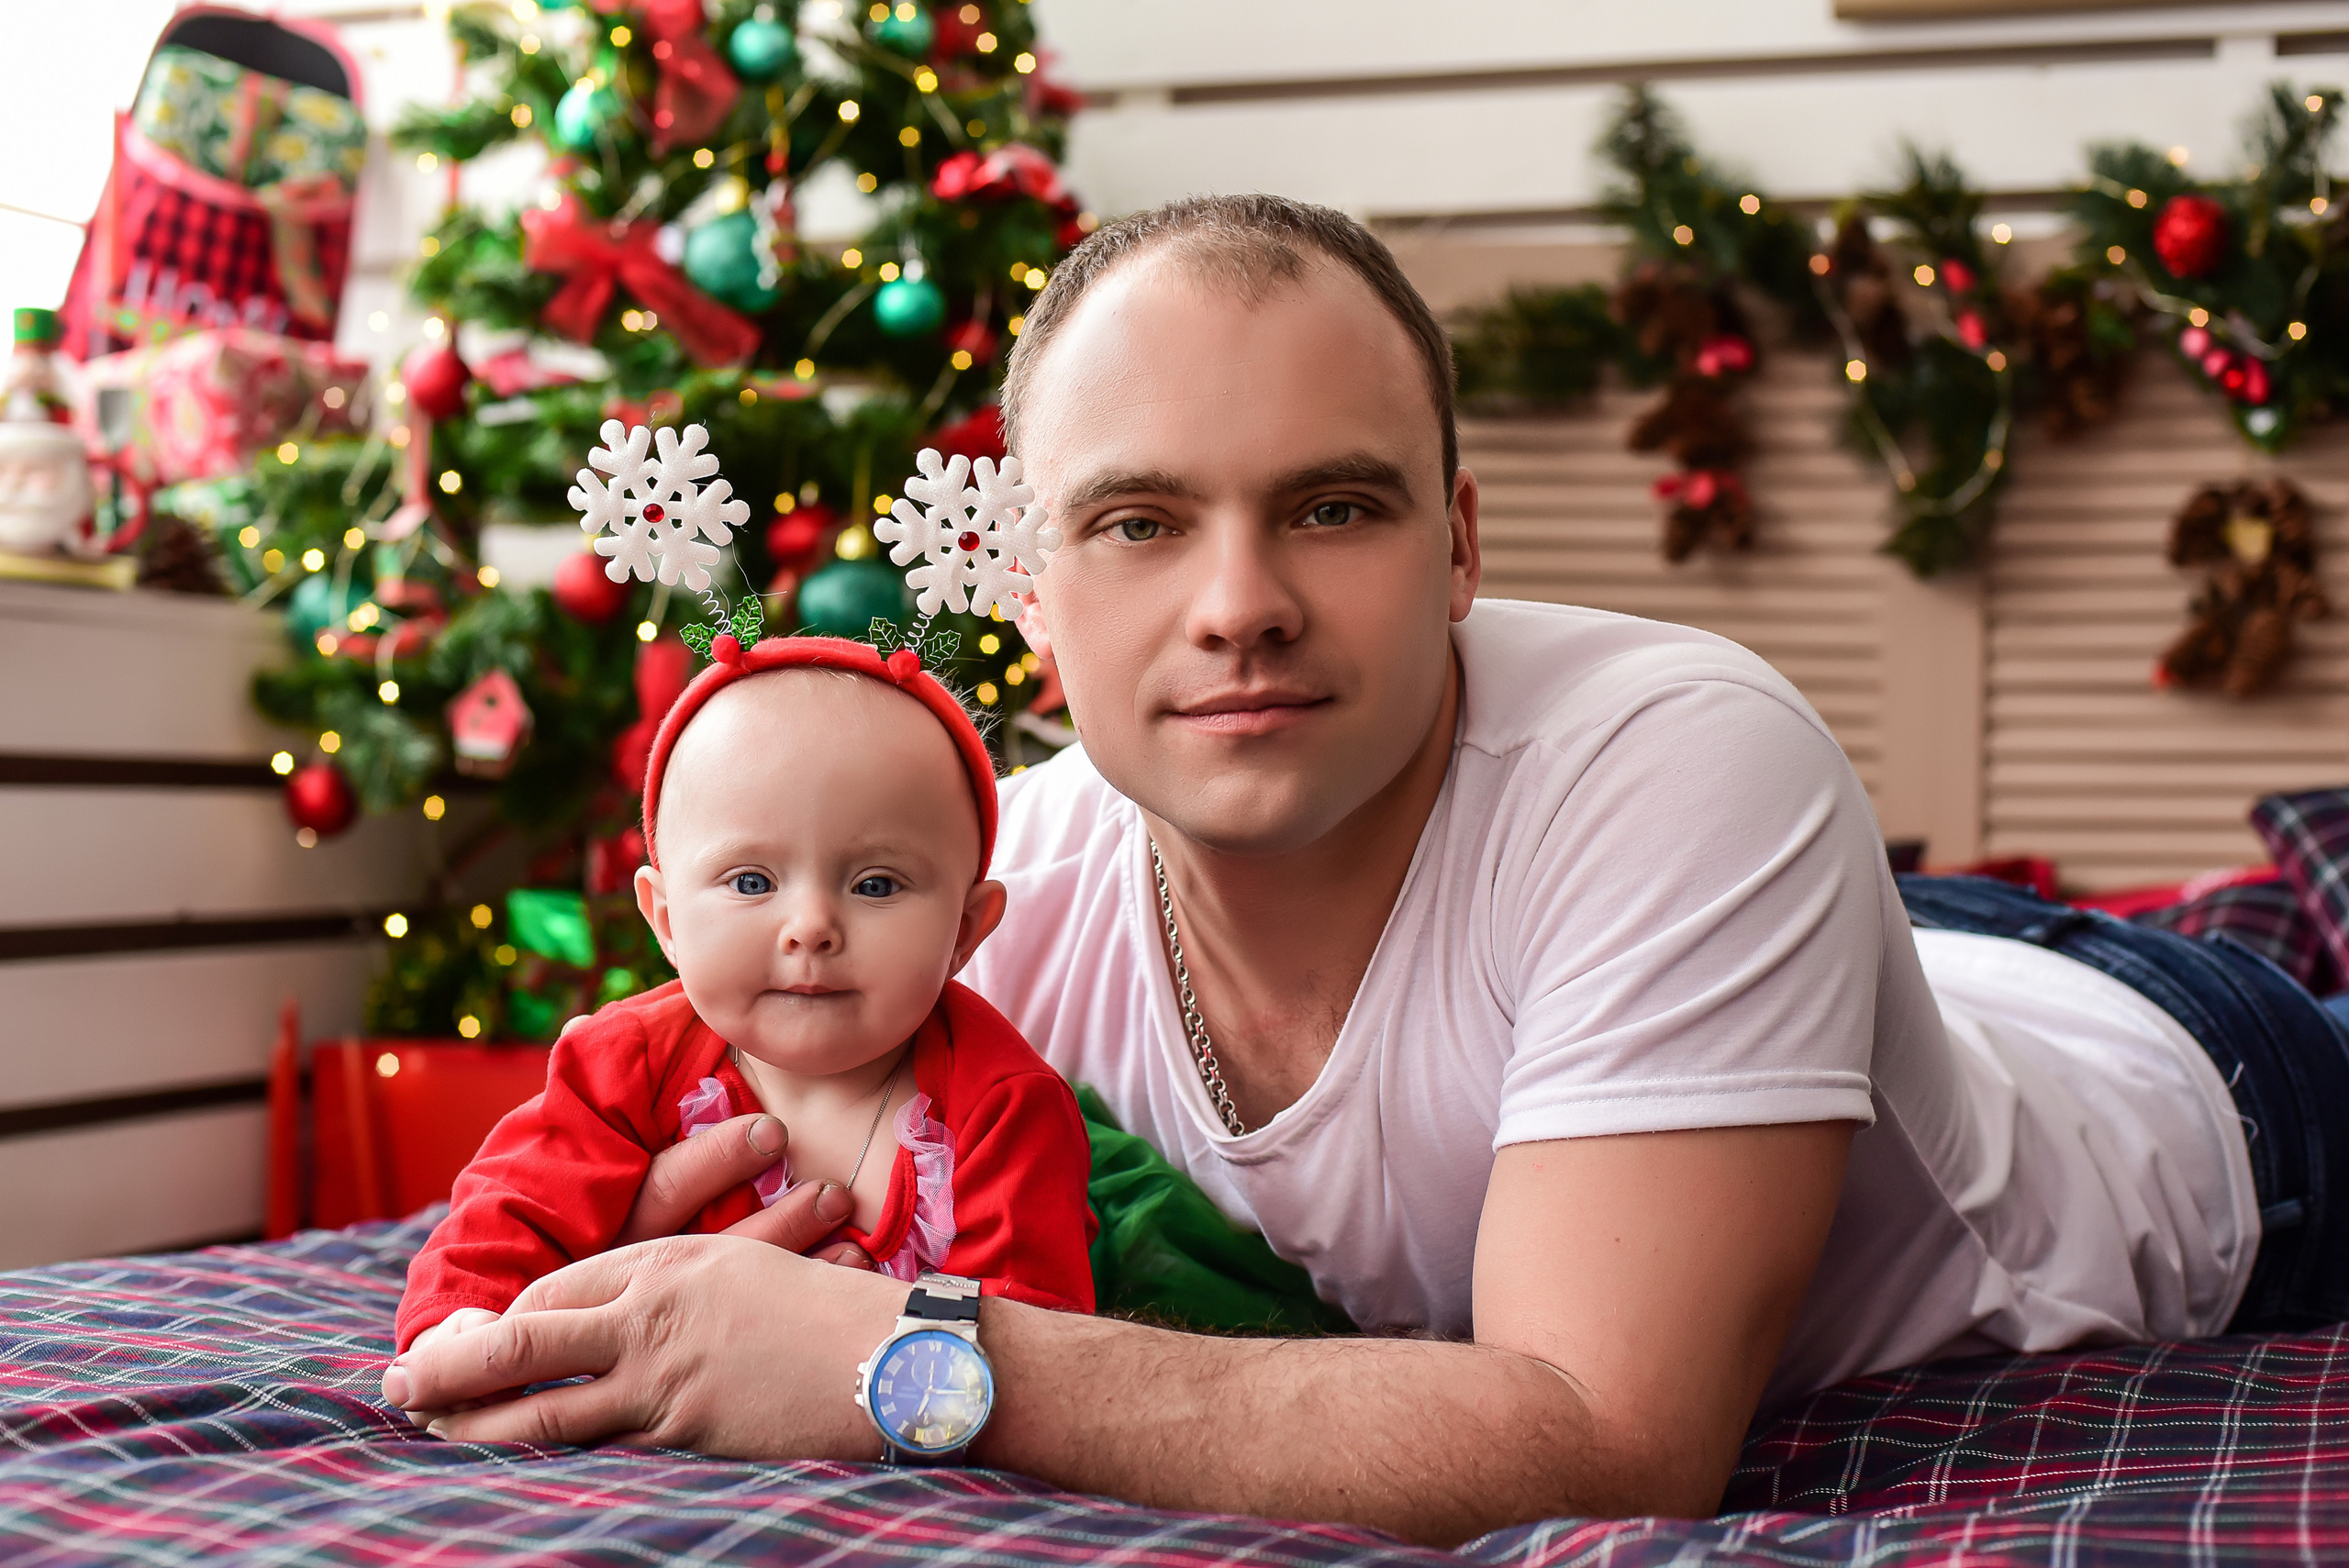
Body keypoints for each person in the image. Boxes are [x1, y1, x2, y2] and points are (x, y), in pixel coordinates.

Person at [383, 195, 2349, 1546]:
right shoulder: (992, 884)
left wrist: (905, 1358)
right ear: (1038, 609)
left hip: (2198, 1088)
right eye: (1141, 522)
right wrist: (666, 1259)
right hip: (1830, 978)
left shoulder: (1684, 756)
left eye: (1330, 506)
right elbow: (714, 1216)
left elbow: (1606, 1440)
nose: (1238, 606)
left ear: (1461, 544)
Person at [394, 636, 1097, 1374]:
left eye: (877, 884)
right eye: (753, 881)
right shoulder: (624, 1063)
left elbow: (1027, 1348)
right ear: (665, 919)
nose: (811, 927)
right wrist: (463, 1324)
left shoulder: (1006, 1111)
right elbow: (508, 1216)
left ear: (964, 929)